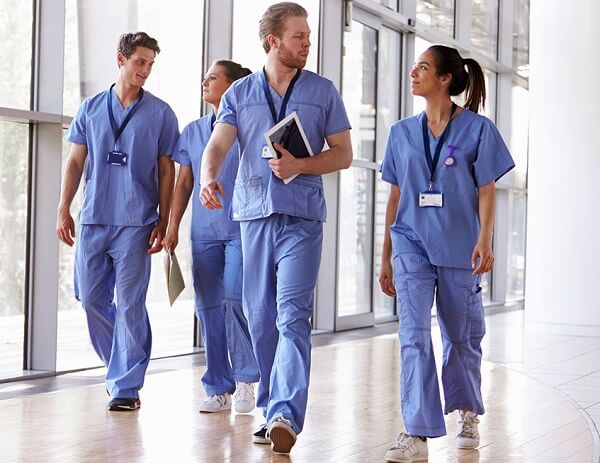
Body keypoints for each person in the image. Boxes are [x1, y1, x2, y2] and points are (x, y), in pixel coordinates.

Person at [199, 2, 352, 454]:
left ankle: (285, 410)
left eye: (308, 35)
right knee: (262, 318)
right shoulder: (239, 93)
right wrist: (209, 177)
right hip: (253, 217)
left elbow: (342, 153)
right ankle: (270, 409)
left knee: (291, 315)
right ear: (273, 41)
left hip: (302, 218)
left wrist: (301, 165)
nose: (308, 43)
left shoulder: (323, 92)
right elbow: (217, 146)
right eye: (299, 36)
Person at [379, 45, 515, 462]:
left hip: (459, 245)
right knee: (413, 336)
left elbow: (486, 188)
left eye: (423, 67)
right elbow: (396, 193)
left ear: (444, 80)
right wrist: (385, 254)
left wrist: (485, 239)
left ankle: (468, 410)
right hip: (411, 245)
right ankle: (416, 432)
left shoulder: (478, 129)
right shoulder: (402, 132)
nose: (413, 72)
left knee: (461, 337)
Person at [56, 32, 179, 411]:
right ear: (121, 59)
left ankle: (126, 386)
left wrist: (164, 217)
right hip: (94, 218)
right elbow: (76, 161)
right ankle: (119, 366)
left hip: (137, 221)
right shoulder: (90, 108)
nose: (145, 70)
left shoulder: (161, 113)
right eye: (140, 62)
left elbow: (166, 170)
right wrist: (63, 207)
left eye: (150, 64)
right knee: (91, 299)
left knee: (129, 304)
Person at [162, 60, 259, 414]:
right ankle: (219, 385)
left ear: (234, 87)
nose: (205, 80)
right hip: (203, 233)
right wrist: (172, 227)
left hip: (241, 228)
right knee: (208, 309)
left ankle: (247, 378)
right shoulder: (192, 130)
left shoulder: (249, 129)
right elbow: (184, 182)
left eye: (213, 77)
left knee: (234, 299)